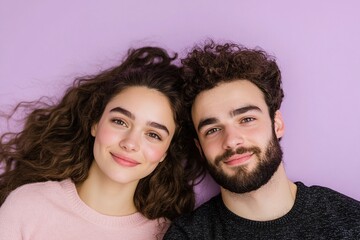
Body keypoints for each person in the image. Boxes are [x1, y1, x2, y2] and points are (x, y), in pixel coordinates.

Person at [164, 41, 360, 239]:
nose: (231, 141)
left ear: (277, 124)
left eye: (247, 119)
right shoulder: (187, 236)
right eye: (213, 129)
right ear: (199, 147)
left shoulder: (350, 222)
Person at [0, 46, 198, 239]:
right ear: (95, 123)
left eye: (153, 135)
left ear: (165, 152)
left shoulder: (168, 235)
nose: (130, 143)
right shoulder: (28, 205)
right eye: (120, 122)